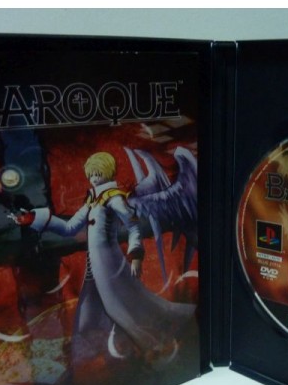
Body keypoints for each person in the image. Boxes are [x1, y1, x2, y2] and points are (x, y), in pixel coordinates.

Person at [13, 151, 195, 371]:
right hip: (95, 261)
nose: (93, 178)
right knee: (88, 310)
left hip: (109, 259)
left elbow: (133, 225)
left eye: (97, 174)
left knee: (117, 308)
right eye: (91, 174)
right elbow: (69, 228)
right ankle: (86, 358)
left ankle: (155, 348)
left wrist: (136, 255)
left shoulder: (113, 198)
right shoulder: (93, 200)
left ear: (107, 173)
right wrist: (33, 218)